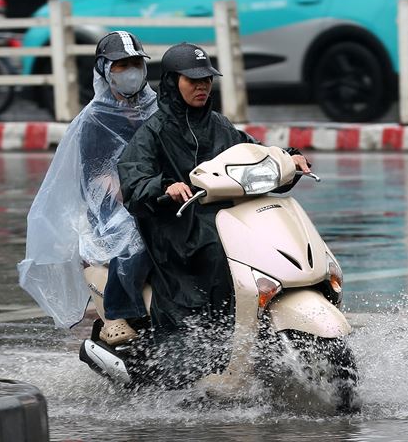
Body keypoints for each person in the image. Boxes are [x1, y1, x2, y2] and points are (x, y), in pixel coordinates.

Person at [117, 43, 310, 379]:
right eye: (193, 80)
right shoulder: (153, 131)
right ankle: (196, 355)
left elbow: (256, 154)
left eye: (206, 79)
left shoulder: (220, 126)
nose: (202, 86)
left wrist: (288, 158)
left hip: (224, 219)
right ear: (172, 82)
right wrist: (164, 187)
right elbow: (134, 180)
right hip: (177, 227)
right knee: (217, 256)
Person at [18, 31, 157, 345]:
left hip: (158, 190)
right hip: (113, 207)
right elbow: (96, 180)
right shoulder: (93, 120)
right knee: (137, 235)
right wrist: (128, 187)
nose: (130, 71)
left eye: (135, 63)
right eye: (121, 66)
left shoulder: (157, 109)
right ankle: (117, 313)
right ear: (105, 70)